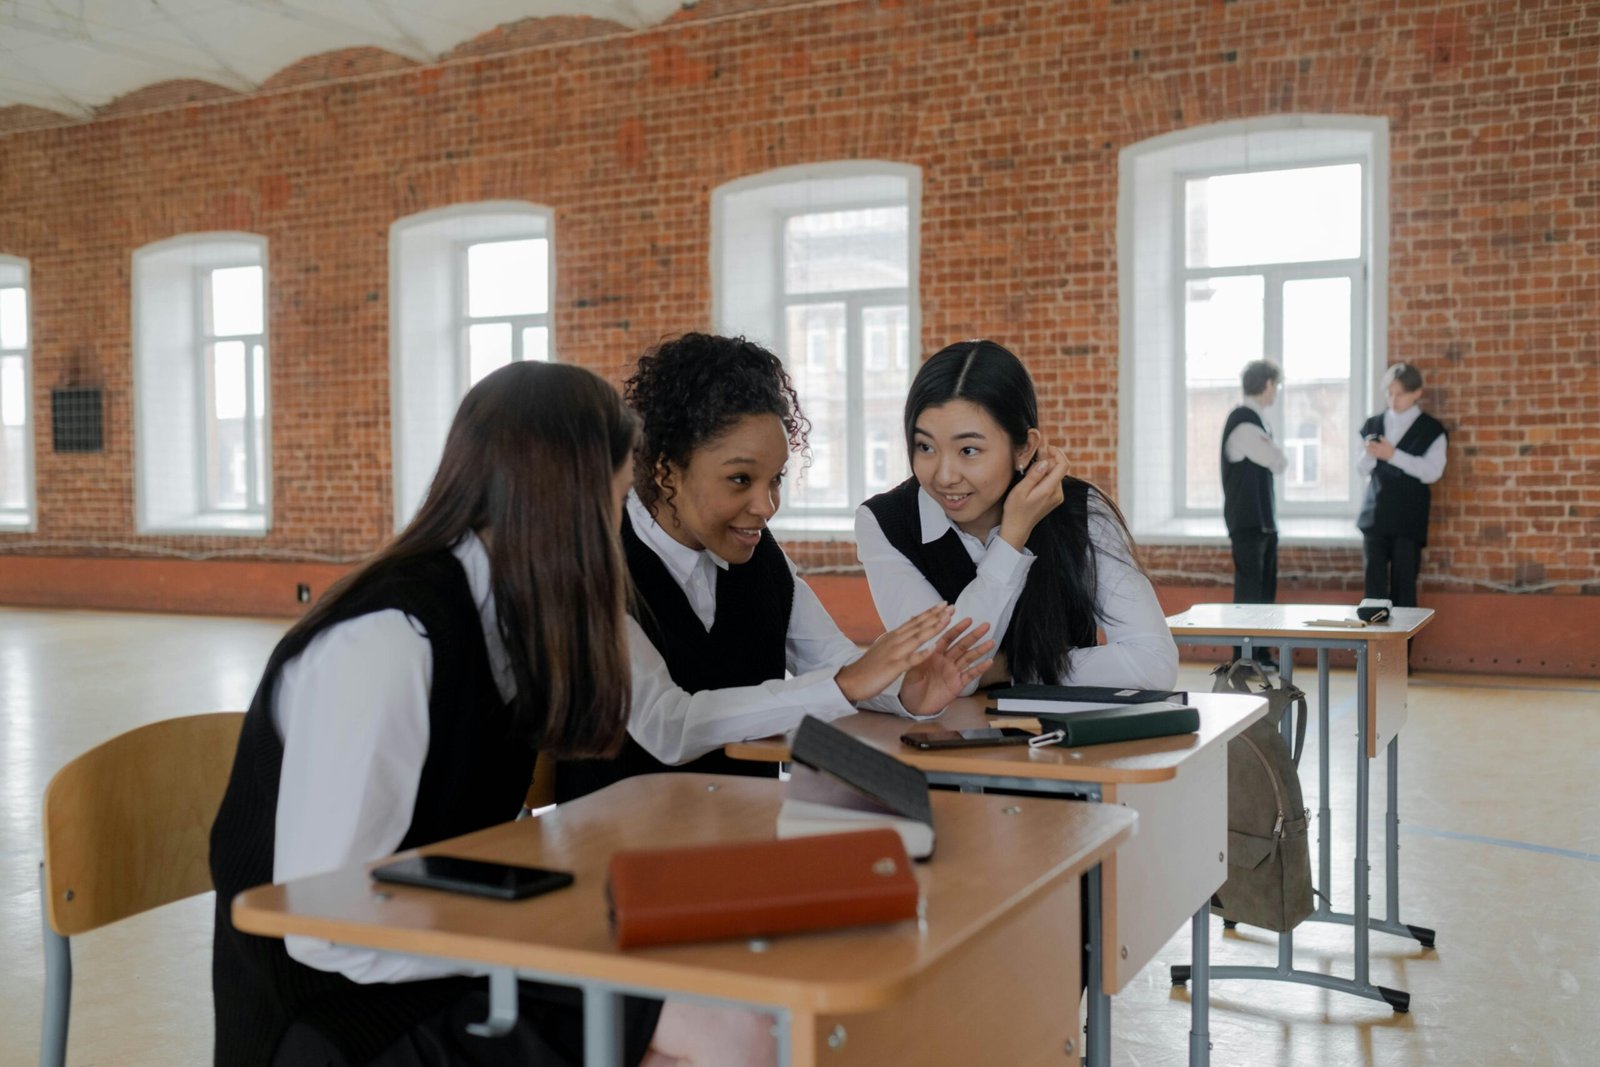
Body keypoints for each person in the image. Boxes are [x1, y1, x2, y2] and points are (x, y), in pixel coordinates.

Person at [210, 362, 776, 1067]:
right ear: (563, 501)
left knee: (737, 1007)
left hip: (438, 965)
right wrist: (539, 950)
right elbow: (320, 926)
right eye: (616, 500)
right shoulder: (388, 642)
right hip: (339, 1017)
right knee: (731, 1034)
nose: (617, 529)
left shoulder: (512, 616)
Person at [557, 333, 993, 801]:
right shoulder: (597, 561)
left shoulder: (761, 558)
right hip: (617, 844)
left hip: (745, 834)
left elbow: (838, 665)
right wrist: (846, 683)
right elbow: (669, 726)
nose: (766, 506)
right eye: (740, 479)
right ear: (666, 472)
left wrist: (906, 693)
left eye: (776, 479)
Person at [856, 338, 1177, 692]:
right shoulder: (884, 523)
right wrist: (1011, 540)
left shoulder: (1079, 511)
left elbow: (1154, 664)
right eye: (925, 447)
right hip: (943, 743)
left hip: (1062, 744)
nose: (944, 475)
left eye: (969, 450)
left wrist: (1007, 669)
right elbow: (944, 673)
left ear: (1024, 448)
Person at [1357, 362, 1448, 609]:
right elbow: (1361, 469)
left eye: (1399, 394)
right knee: (1373, 589)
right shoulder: (1372, 424)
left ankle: (1402, 649)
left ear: (1417, 393)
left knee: (1404, 588)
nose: (1393, 399)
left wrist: (1393, 455)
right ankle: (1373, 647)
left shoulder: (1432, 429)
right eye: (1389, 393)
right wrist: (1370, 454)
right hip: (1374, 516)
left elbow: (1432, 472)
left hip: (1409, 518)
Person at [1221, 359, 1287, 668]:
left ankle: (1259, 654)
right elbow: (1276, 460)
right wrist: (1274, 452)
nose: (1276, 391)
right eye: (1276, 385)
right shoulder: (1244, 421)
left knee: (1264, 592)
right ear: (1268, 385)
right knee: (1249, 594)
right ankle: (1244, 659)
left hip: (1262, 521)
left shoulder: (1258, 421)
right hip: (1247, 521)